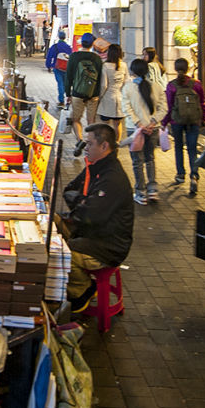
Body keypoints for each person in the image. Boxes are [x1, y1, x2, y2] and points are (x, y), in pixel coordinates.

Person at [57, 123, 135, 313]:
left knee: (60, 253)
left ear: (104, 146)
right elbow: (69, 190)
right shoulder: (95, 167)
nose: (85, 148)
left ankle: (83, 290)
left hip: (108, 245)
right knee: (53, 222)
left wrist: (82, 205)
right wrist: (84, 202)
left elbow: (92, 215)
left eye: (89, 143)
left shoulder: (112, 178)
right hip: (89, 230)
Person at [123, 57, 167, 204]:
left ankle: (140, 192)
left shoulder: (128, 88)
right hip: (152, 129)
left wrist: (139, 124)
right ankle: (153, 190)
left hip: (135, 130)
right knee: (150, 158)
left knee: (137, 161)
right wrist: (152, 122)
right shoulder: (157, 86)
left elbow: (127, 108)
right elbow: (164, 108)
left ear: (132, 72)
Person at [163, 57, 205, 196]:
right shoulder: (197, 84)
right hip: (194, 120)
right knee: (192, 149)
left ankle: (180, 174)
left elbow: (169, 106)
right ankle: (194, 176)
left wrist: (165, 122)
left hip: (177, 121)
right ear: (188, 68)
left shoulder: (171, 86)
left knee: (178, 147)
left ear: (176, 69)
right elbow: (202, 103)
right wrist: (203, 118)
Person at [66, 33, 104, 157]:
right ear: (92, 44)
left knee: (75, 119)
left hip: (77, 93)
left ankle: (80, 140)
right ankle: (90, 144)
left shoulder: (74, 56)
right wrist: (97, 94)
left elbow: (69, 76)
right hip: (93, 94)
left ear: (81, 43)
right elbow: (100, 78)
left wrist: (68, 93)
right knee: (91, 120)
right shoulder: (97, 58)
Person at [96, 43, 127, 141]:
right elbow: (126, 82)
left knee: (105, 123)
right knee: (118, 123)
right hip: (120, 97)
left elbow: (104, 85)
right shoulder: (123, 65)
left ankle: (107, 142)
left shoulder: (105, 65)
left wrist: (100, 97)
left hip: (108, 97)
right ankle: (117, 142)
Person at [45, 30, 72, 106]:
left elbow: (49, 56)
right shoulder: (69, 47)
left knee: (60, 83)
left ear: (58, 37)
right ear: (65, 37)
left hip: (57, 67)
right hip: (67, 68)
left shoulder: (55, 46)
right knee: (66, 84)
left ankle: (61, 100)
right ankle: (68, 99)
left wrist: (48, 66)